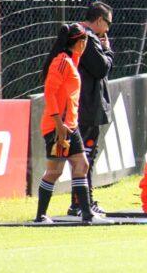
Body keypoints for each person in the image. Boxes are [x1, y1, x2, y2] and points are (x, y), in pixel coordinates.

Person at [35, 24, 111, 224]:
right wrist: (58, 124)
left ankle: (87, 214)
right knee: (55, 171)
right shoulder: (61, 61)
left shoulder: (72, 60)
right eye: (82, 40)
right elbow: (49, 93)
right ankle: (40, 216)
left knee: (81, 164)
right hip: (57, 127)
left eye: (86, 40)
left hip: (70, 126)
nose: (85, 44)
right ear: (73, 42)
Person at [68, 1, 114, 216]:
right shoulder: (88, 37)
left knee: (83, 156)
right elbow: (101, 68)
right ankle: (80, 203)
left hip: (81, 104)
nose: (107, 30)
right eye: (107, 24)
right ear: (98, 20)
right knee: (85, 156)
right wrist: (108, 50)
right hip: (87, 106)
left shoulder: (77, 33)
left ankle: (82, 201)